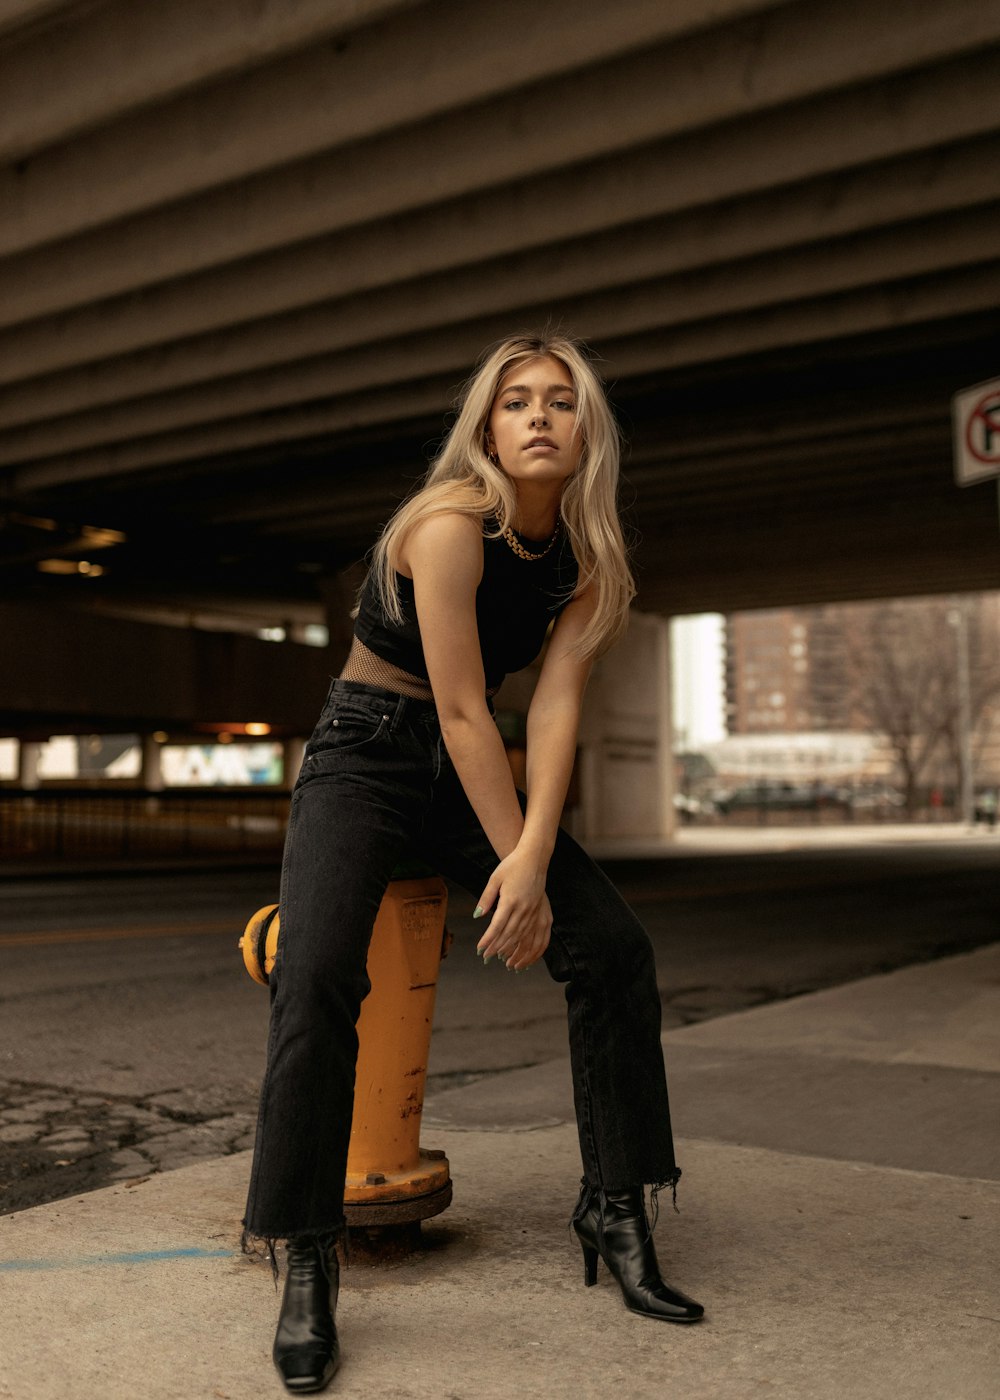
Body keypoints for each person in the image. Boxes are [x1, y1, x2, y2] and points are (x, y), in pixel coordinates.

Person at [242, 333, 704, 1394]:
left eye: (561, 401)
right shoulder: (449, 524)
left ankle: (616, 1206)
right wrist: (517, 852)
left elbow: (549, 706)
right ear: (486, 429)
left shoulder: (588, 559)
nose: (538, 416)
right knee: (314, 975)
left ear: (587, 430)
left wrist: (534, 851)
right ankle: (307, 1253)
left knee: (615, 949)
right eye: (515, 402)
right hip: (365, 749)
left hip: (466, 771)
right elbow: (456, 705)